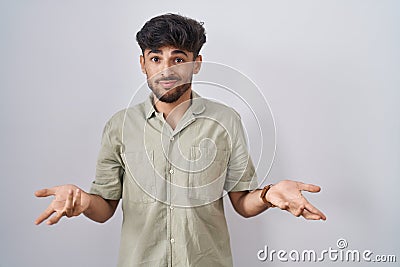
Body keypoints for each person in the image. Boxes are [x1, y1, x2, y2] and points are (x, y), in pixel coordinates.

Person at [35, 13, 326, 267]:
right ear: (142, 64)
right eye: (156, 58)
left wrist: (269, 194)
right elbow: (105, 208)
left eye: (178, 59)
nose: (167, 69)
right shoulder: (119, 126)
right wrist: (83, 201)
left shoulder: (226, 121)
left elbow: (242, 203)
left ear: (196, 64)